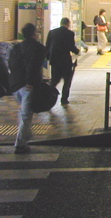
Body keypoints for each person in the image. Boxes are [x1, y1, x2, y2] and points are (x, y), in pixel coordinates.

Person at [8, 23, 46, 154]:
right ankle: (20, 144)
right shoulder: (38, 48)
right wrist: (30, 82)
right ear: (34, 33)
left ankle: (26, 135)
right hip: (28, 85)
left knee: (24, 112)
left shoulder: (16, 47)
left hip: (15, 85)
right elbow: (33, 66)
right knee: (26, 115)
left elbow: (11, 64)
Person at [46, 17, 80, 105]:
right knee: (67, 80)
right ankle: (64, 99)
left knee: (54, 80)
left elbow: (47, 46)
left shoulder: (52, 32)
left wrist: (48, 58)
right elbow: (71, 46)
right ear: (68, 24)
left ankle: (47, 95)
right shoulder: (70, 33)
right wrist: (77, 51)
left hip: (54, 61)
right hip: (65, 61)